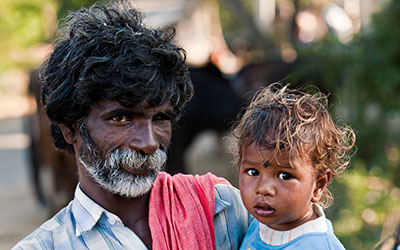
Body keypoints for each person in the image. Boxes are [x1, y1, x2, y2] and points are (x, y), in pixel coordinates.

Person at [12, 2, 251, 249]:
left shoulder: (222, 210)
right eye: (121, 119)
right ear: (70, 129)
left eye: (160, 119)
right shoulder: (46, 246)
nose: (148, 142)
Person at [231, 84, 355, 249]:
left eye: (284, 176)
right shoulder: (259, 225)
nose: (264, 189)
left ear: (318, 184)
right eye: (253, 172)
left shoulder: (316, 246)